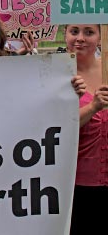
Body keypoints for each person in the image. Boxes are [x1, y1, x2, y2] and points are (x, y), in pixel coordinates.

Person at [67, 24, 108, 235]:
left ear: (101, 38)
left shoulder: (107, 70)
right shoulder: (55, 76)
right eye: (74, 31)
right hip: (74, 189)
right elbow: (58, 128)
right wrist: (93, 108)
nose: (80, 38)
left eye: (89, 32)